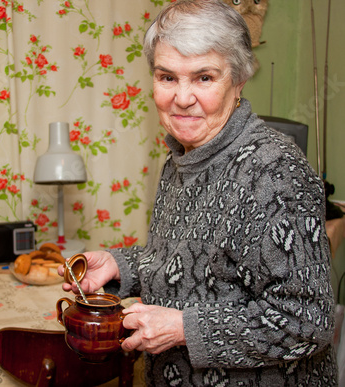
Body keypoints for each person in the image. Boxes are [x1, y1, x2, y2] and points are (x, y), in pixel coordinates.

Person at [59, 0, 338, 385]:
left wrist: (184, 328)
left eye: (204, 78)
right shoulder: (182, 157)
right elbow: (198, 264)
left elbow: (308, 321)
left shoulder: (274, 171)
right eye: (167, 77)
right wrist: (119, 265)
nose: (183, 97)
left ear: (238, 80)